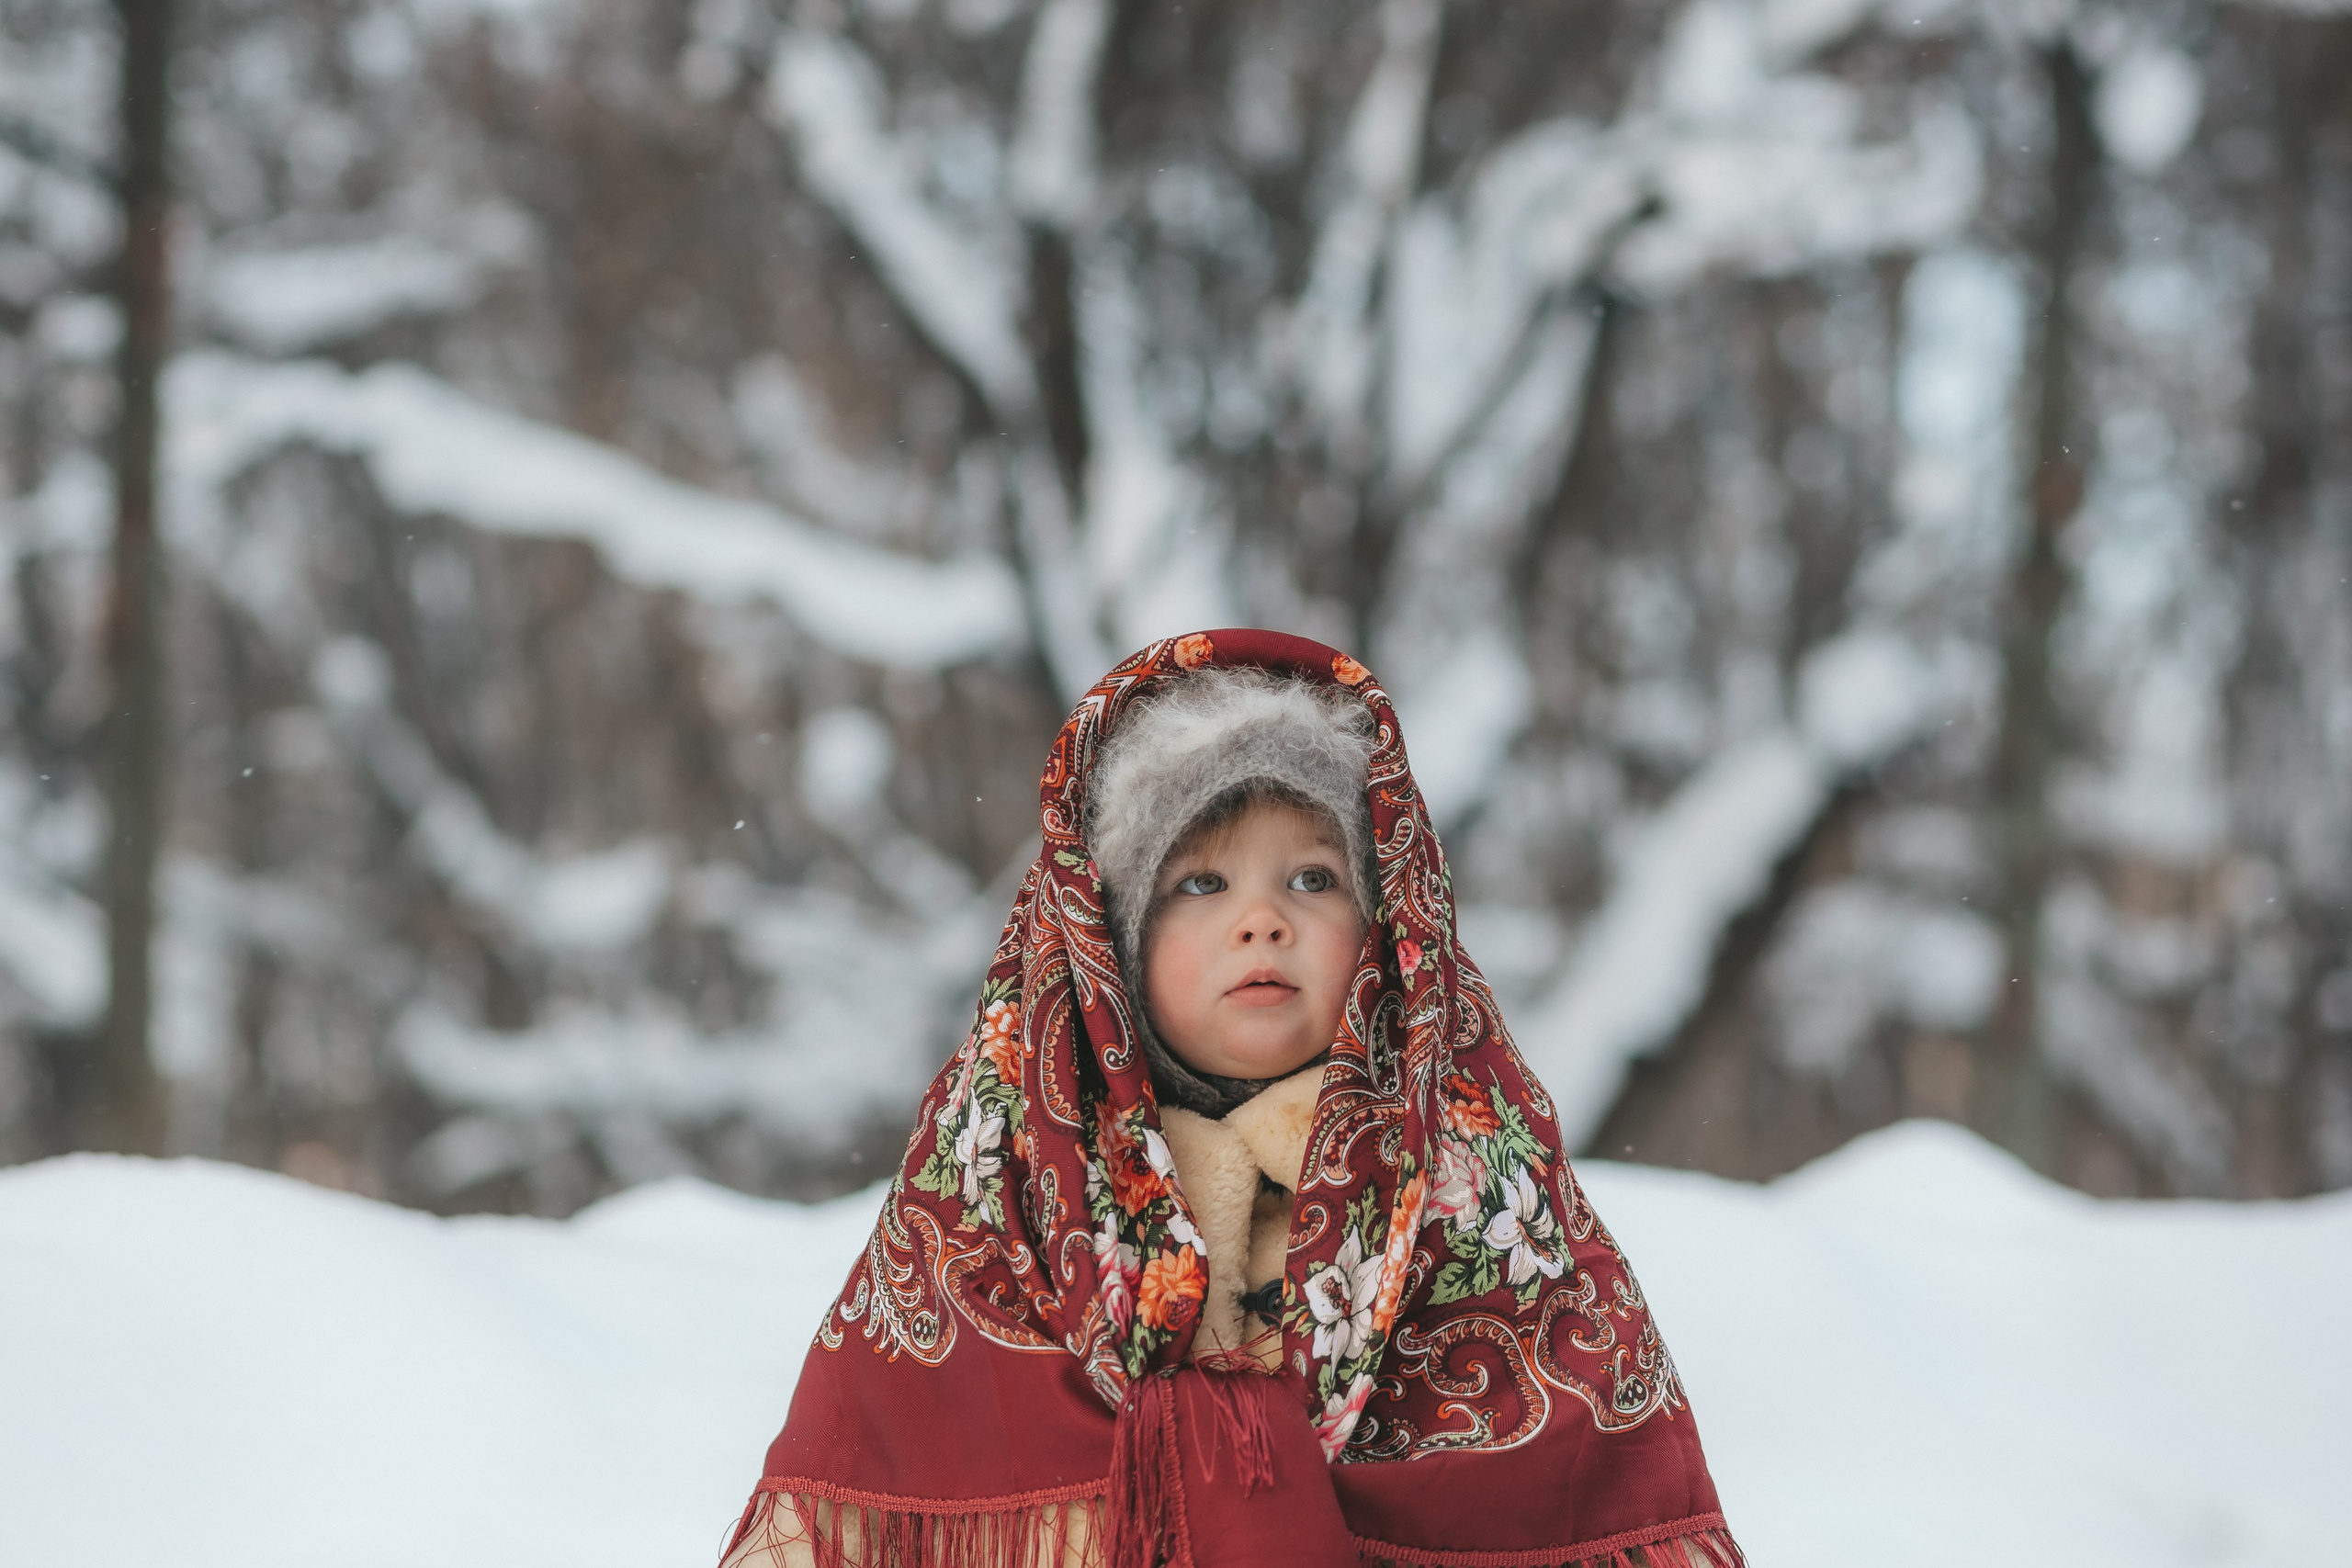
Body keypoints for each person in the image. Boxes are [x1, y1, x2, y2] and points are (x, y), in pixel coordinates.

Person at [719, 629, 1741, 1568]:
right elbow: (883, 1464)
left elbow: (1586, 1476)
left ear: (1385, 928)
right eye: (1201, 885)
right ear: (1113, 940)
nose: (1263, 920)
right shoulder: (1006, 1184)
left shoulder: (1474, 1185)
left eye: (1313, 879)